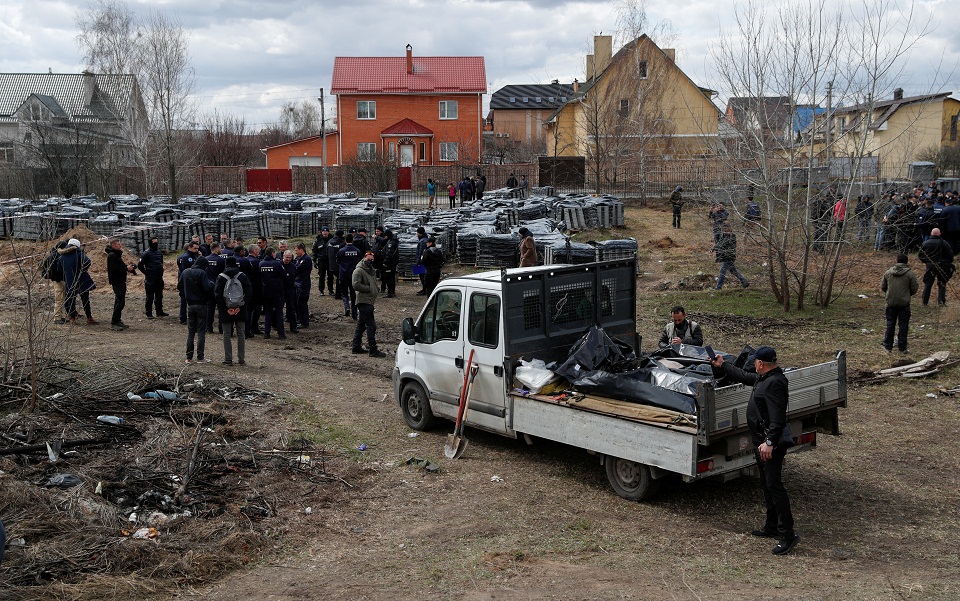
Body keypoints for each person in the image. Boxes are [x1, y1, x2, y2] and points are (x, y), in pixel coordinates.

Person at [710, 346, 800, 555]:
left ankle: (788, 534)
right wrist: (723, 365)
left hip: (771, 445)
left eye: (755, 362)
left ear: (760, 363)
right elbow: (743, 375)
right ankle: (772, 526)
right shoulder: (764, 377)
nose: (753, 365)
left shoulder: (775, 383)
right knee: (767, 484)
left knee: (775, 486)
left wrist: (769, 442)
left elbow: (778, 418)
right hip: (761, 442)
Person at [216, 256, 252, 365]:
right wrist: (240, 307)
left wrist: (226, 308)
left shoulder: (221, 277)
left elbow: (217, 295)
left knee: (226, 334)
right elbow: (249, 293)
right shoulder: (242, 276)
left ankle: (228, 359)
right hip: (240, 308)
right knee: (241, 333)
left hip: (226, 309)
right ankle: (241, 359)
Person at [880, 253, 919, 354]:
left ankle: (888, 346)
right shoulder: (910, 274)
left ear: (896, 261)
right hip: (904, 303)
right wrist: (907, 294)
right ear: (906, 262)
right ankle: (902, 348)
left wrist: (890, 294)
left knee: (890, 324)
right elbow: (914, 288)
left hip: (891, 302)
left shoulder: (888, 272)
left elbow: (883, 287)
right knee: (903, 325)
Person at [351, 251, 387, 357]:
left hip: (369, 300)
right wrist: (370, 289)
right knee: (371, 325)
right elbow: (356, 285)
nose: (370, 261)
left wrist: (375, 289)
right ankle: (372, 348)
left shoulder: (371, 271)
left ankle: (356, 346)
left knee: (361, 325)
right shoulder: (358, 271)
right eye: (368, 259)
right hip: (363, 301)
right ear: (364, 258)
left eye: (372, 259)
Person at [179, 255, 213, 363]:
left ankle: (189, 357)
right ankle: (200, 357)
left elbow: (179, 285)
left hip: (190, 304)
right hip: (201, 304)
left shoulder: (185, 272)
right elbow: (207, 288)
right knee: (201, 332)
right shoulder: (202, 273)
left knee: (191, 332)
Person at [59, 238, 97, 325]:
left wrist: (66, 275)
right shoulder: (79, 253)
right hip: (81, 279)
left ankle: (72, 318)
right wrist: (81, 270)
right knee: (85, 299)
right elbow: (88, 262)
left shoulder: (62, 256)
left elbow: (59, 269)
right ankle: (89, 318)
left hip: (69, 280)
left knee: (71, 300)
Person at [104, 239, 138, 331]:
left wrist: (128, 268)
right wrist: (126, 268)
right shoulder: (112, 256)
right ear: (113, 245)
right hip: (117, 281)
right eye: (118, 244)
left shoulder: (116, 255)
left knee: (118, 301)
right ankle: (114, 322)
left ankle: (117, 320)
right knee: (120, 302)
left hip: (120, 281)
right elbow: (114, 270)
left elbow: (119, 267)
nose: (120, 245)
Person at [918, 227, 955, 306]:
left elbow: (920, 255)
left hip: (930, 266)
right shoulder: (944, 243)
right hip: (942, 266)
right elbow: (950, 255)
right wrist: (946, 262)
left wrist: (927, 262)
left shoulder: (925, 243)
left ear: (931, 233)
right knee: (942, 283)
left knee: (928, 284)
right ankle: (941, 302)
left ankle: (924, 302)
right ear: (940, 234)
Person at [259, 248, 286, 339]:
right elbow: (284, 275)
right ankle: (281, 334)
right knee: (279, 312)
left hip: (265, 291)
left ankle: (267, 333)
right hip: (277, 292)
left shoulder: (261, 263)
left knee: (268, 313)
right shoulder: (277, 263)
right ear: (272, 253)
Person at [138, 236, 167, 319]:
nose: (156, 244)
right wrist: (146, 273)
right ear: (150, 243)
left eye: (156, 242)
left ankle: (159, 311)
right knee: (150, 296)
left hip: (159, 277)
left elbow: (161, 262)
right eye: (154, 243)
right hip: (150, 278)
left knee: (159, 295)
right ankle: (149, 313)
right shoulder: (146, 253)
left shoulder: (159, 252)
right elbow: (140, 265)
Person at [713, 224, 750, 289]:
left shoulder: (732, 236)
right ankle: (744, 281)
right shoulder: (721, 236)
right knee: (733, 270)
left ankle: (718, 287)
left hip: (729, 256)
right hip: (724, 256)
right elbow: (719, 243)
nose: (725, 231)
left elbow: (723, 243)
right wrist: (714, 248)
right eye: (724, 230)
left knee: (722, 271)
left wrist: (714, 248)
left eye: (727, 229)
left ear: (730, 230)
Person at [40, 240, 67, 324]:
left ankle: (60, 316)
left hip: (57, 279)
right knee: (59, 298)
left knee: (61, 298)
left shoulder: (54, 254)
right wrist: (59, 278)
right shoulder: (55, 256)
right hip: (57, 280)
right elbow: (54, 270)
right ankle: (57, 318)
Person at [337, 233, 362, 319]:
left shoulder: (341, 251)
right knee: (353, 295)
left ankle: (347, 307)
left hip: (343, 274)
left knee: (344, 293)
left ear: (345, 240)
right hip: (353, 276)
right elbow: (360, 262)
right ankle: (354, 314)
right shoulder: (357, 251)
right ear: (353, 240)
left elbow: (338, 261)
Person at [176, 241, 201, 324]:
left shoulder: (195, 255)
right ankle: (183, 318)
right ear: (190, 247)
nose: (197, 250)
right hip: (186, 281)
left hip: (193, 281)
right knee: (184, 299)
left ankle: (192, 317)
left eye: (198, 248)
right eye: (195, 248)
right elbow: (187, 270)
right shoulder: (186, 257)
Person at [244, 244, 263, 337]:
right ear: (255, 251)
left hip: (246, 287)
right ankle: (253, 326)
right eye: (258, 250)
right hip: (256, 288)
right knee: (257, 308)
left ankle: (247, 328)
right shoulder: (257, 262)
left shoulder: (245, 260)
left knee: (248, 309)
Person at [293, 242, 312, 328]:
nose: (295, 252)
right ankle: (300, 319)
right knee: (298, 302)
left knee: (302, 302)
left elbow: (297, 269)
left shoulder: (306, 259)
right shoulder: (298, 258)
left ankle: (304, 322)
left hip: (303, 283)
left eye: (296, 250)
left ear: (301, 250)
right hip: (298, 282)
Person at [281, 250, 299, 333]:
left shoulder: (293, 266)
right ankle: (278, 326)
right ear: (283, 256)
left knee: (291, 308)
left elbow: (295, 276)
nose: (288, 259)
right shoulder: (279, 265)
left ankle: (293, 326)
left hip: (290, 289)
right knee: (279, 308)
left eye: (290, 257)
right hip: (281, 289)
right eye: (287, 257)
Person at [312, 227, 333, 296]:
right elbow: (314, 250)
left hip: (330, 260)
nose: (325, 232)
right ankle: (321, 290)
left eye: (326, 231)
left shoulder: (332, 239)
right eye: (323, 231)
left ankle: (331, 290)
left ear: (328, 232)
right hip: (321, 261)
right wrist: (314, 260)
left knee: (330, 276)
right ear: (321, 232)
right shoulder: (318, 240)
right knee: (321, 276)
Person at [380, 230, 399, 297]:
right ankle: (391, 291)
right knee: (391, 277)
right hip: (392, 262)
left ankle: (390, 292)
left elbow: (389, 254)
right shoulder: (392, 241)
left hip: (390, 263)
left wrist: (385, 262)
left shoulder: (391, 243)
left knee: (389, 277)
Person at [327, 229, 345, 299]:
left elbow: (326, 252)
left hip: (331, 264)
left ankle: (334, 292)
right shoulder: (341, 243)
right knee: (340, 279)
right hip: (338, 264)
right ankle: (339, 294)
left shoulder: (329, 242)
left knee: (335, 278)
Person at [415, 227, 428, 295]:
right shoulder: (423, 239)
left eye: (417, 232)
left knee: (422, 276)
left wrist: (418, 262)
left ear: (420, 233)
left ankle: (425, 290)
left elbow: (421, 252)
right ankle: (424, 289)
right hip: (422, 261)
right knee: (421, 276)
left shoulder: (423, 241)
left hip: (421, 262)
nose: (416, 234)